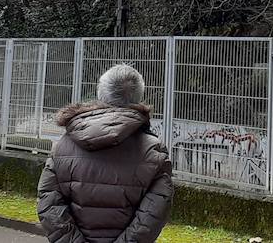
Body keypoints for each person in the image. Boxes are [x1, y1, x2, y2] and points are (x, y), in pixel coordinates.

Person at [37, 64, 173, 243]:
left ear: (101, 94)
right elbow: (154, 213)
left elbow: (49, 204)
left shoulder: (64, 145)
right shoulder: (154, 151)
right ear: (138, 97)